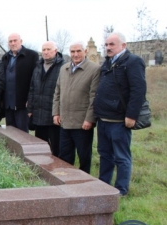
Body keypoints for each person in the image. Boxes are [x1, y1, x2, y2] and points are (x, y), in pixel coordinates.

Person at [93, 32, 146, 196]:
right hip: (103, 118)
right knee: (104, 154)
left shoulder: (132, 61)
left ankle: (121, 190)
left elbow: (138, 90)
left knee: (121, 157)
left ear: (123, 45)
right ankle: (103, 186)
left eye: (112, 44)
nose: (108, 48)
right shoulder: (107, 63)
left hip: (119, 120)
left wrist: (131, 115)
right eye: (106, 45)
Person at [53, 41, 100, 173]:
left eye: (78, 51)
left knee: (84, 155)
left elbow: (93, 97)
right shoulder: (64, 68)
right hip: (64, 121)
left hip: (82, 123)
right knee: (64, 155)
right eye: (73, 52)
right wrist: (56, 113)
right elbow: (57, 92)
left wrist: (89, 119)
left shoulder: (94, 69)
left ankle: (84, 183)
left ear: (85, 51)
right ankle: (67, 179)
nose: (76, 54)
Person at [27, 41, 64, 156]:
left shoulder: (63, 67)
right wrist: (30, 109)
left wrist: (59, 112)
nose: (46, 52)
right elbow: (32, 88)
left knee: (56, 145)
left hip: (53, 113)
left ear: (55, 51)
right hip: (39, 112)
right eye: (44, 50)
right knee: (40, 145)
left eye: (49, 49)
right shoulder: (38, 67)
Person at [1, 33, 39, 132]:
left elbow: (35, 79)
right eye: (10, 41)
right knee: (11, 133)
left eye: (15, 41)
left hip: (22, 103)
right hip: (8, 103)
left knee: (22, 133)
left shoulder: (32, 56)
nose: (13, 43)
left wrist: (31, 100)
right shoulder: (5, 57)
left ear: (21, 41)